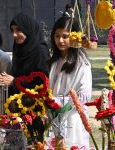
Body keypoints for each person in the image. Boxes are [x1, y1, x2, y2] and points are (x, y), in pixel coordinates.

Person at [49, 16, 92, 149]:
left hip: (74, 119)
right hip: (55, 118)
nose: (60, 40)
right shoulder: (55, 60)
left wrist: (57, 102)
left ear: (74, 37)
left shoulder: (82, 63)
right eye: (57, 36)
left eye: (65, 36)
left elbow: (84, 96)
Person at [0, 12, 50, 94]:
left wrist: (14, 82)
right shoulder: (19, 47)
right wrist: (4, 79)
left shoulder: (40, 51)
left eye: (18, 30)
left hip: (35, 102)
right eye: (12, 30)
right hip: (18, 100)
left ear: (28, 29)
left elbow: (42, 80)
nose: (14, 34)